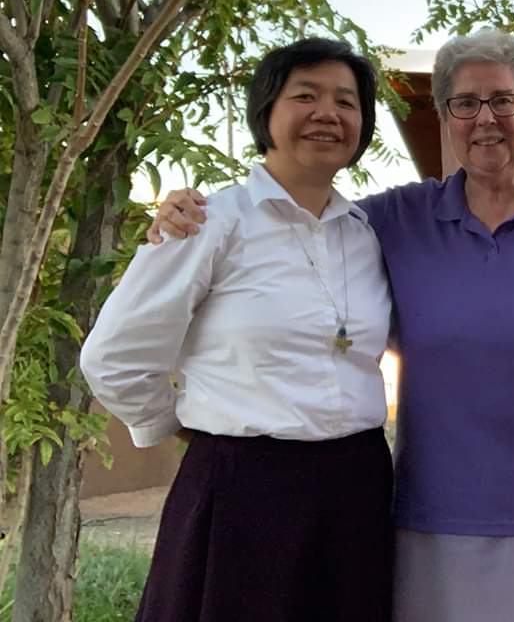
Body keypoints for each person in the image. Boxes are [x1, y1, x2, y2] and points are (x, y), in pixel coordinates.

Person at [150, 28, 514, 622]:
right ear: (444, 115)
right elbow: (295, 231)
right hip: (431, 526)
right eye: (464, 103)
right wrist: (182, 212)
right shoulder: (391, 221)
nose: (485, 119)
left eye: (503, 100)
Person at [81, 38, 394, 622]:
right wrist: (188, 432)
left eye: (347, 102)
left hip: (356, 486)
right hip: (242, 491)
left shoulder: (367, 233)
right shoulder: (208, 223)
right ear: (266, 113)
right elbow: (114, 357)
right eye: (306, 95)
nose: (328, 113)